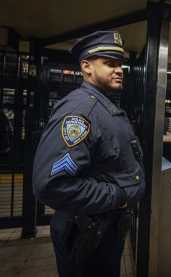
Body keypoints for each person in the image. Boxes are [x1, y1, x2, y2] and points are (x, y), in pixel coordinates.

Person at [32, 31, 145, 277]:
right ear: (86, 67)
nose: (119, 70)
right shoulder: (81, 112)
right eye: (110, 63)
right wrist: (118, 195)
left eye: (120, 64)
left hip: (102, 231)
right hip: (87, 232)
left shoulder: (102, 106)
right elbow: (51, 185)